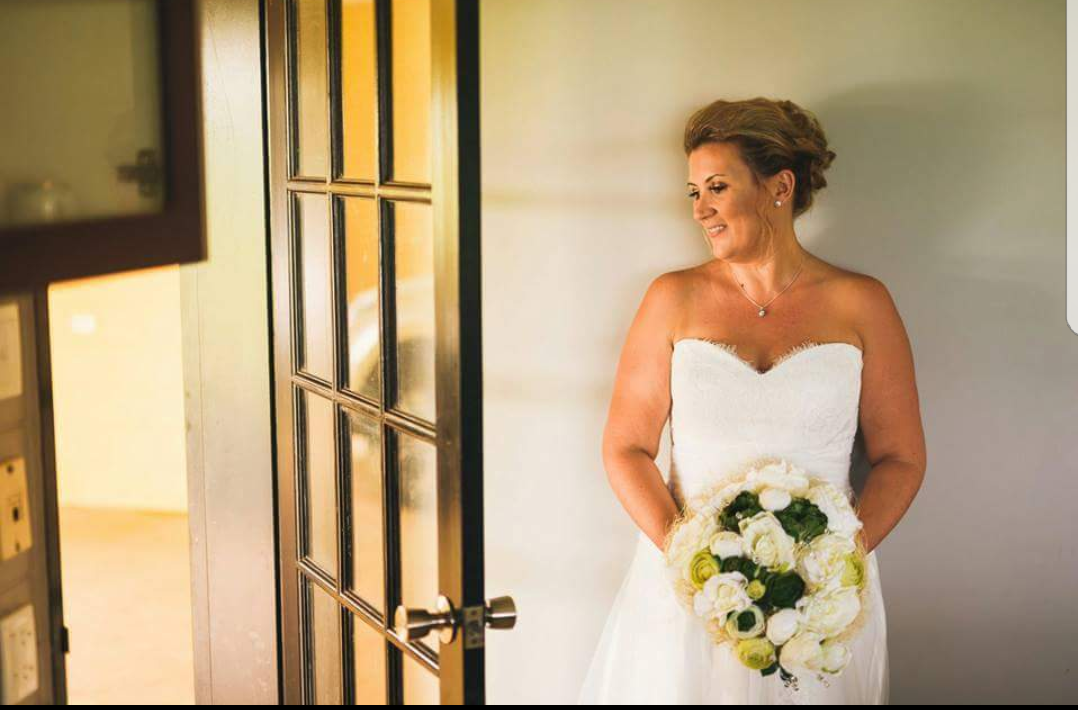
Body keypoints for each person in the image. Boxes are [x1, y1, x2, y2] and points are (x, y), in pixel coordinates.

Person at [577, 97, 926, 704]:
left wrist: (831, 565)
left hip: (819, 603)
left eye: (717, 187)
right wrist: (692, 559)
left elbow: (901, 457)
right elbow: (625, 447)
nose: (700, 209)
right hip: (687, 593)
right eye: (694, 192)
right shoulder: (671, 298)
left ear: (780, 187)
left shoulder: (862, 303)